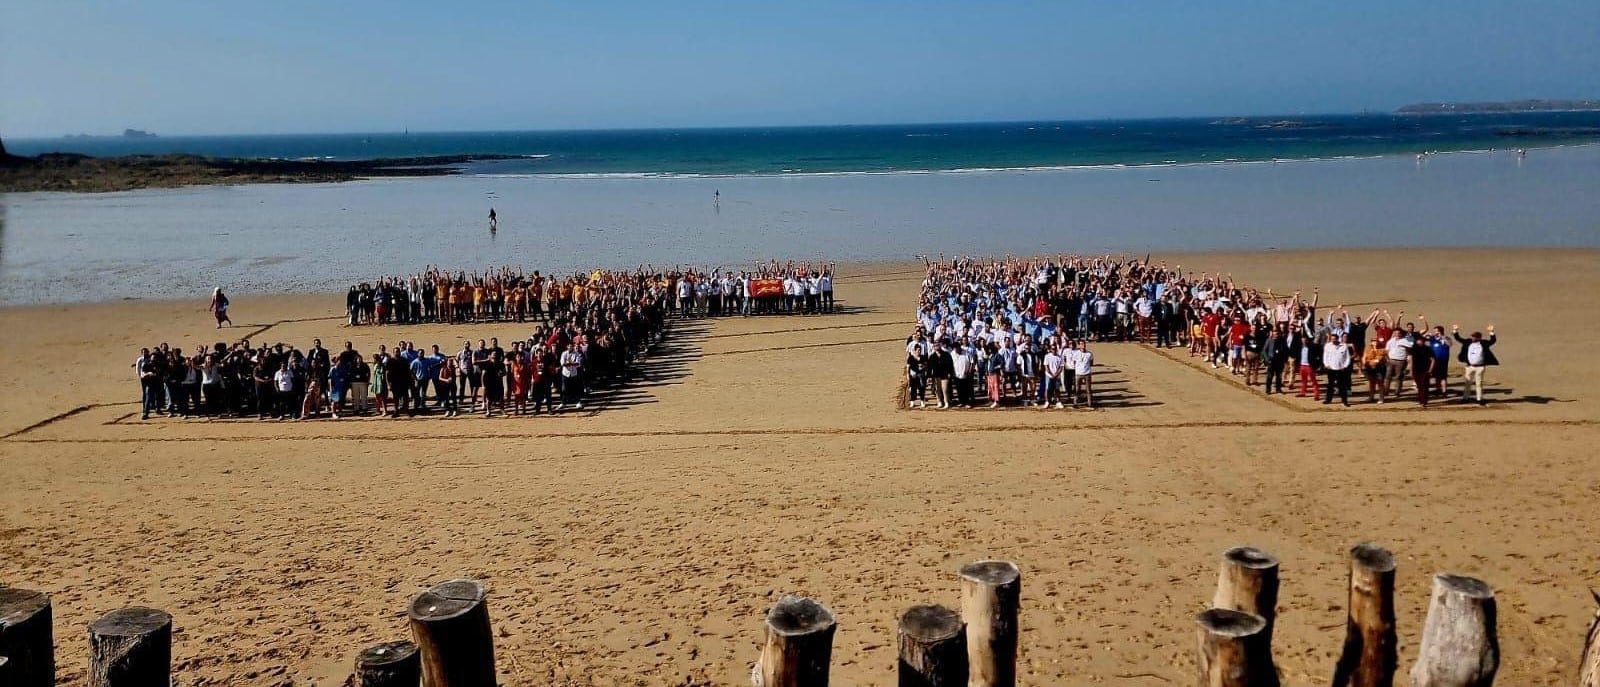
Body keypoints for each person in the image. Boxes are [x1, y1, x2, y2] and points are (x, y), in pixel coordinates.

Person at [1452, 324, 1499, 405]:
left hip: (1480, 367)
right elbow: (1458, 338)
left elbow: (1492, 341)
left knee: (1479, 383)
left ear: (1479, 338)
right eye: (1472, 336)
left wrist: (1491, 332)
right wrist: (1455, 331)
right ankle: (1465, 398)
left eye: (1475, 337)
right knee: (1467, 383)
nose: (1473, 338)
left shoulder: (1484, 343)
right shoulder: (1468, 342)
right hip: (1469, 367)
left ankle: (1479, 399)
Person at [1322, 333, 1353, 406]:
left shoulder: (1343, 346)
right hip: (1331, 368)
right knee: (1330, 385)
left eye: (1334, 339)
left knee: (1342, 386)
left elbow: (1347, 357)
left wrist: (1345, 366)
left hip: (1340, 369)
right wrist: (1326, 365)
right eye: (1332, 339)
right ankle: (1328, 399)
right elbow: (1325, 356)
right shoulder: (1327, 346)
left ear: (1337, 339)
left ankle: (1345, 401)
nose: (1333, 340)